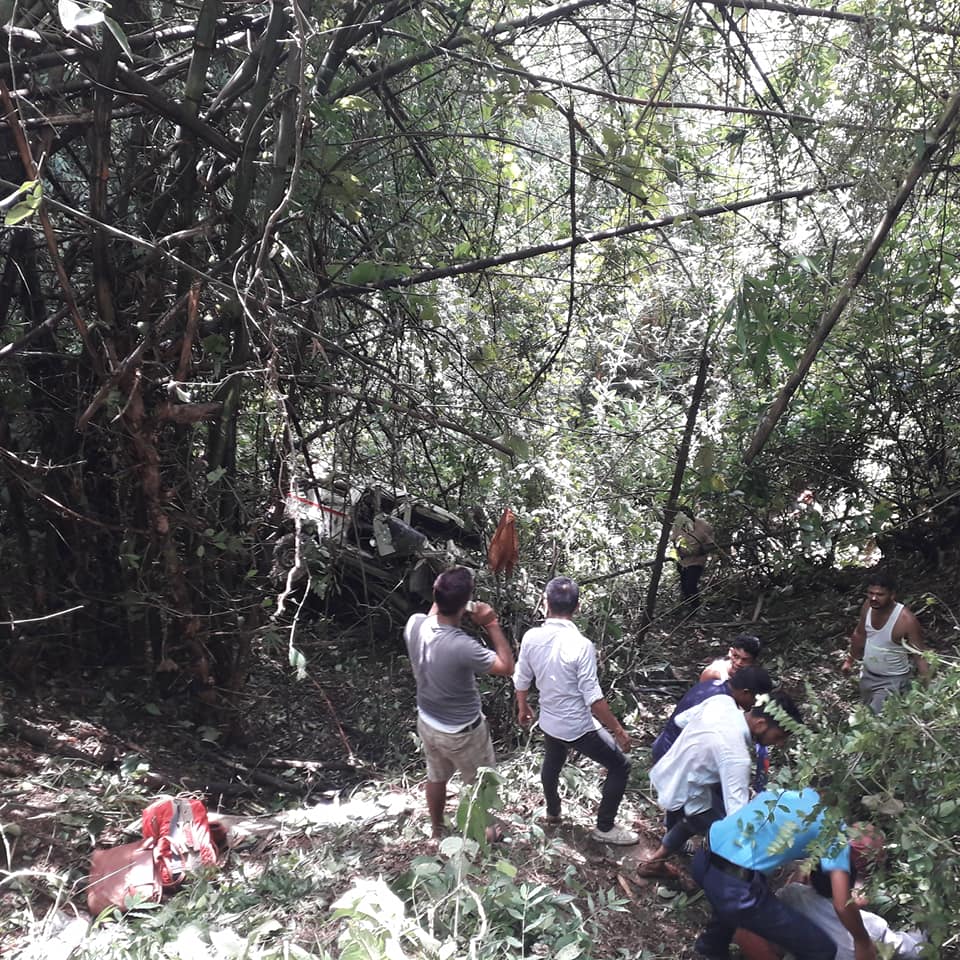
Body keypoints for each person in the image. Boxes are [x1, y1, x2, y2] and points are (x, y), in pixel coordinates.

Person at [514, 576, 638, 845]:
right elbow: (593, 699)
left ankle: (553, 812)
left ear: (545, 604)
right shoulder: (582, 645)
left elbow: (522, 677)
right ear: (577, 607)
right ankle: (605, 827)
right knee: (621, 765)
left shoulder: (531, 637)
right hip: (576, 726)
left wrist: (522, 706)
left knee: (553, 761)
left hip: (549, 720)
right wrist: (618, 731)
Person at [691, 788, 879, 960]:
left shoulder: (783, 794)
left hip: (703, 858)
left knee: (740, 898)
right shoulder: (833, 830)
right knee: (822, 949)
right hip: (735, 888)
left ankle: (709, 949)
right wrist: (862, 941)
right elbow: (842, 905)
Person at [404, 565, 514, 839]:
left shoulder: (416, 624)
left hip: (428, 722)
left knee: (436, 776)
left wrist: (447, 592)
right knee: (481, 783)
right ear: (467, 603)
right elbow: (506, 666)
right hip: (463, 733)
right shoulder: (462, 646)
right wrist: (491, 623)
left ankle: (437, 828)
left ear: (435, 596)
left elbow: (434, 614)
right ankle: (487, 831)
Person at [640, 690, 801, 875]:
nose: (779, 744)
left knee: (697, 818)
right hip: (689, 793)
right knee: (720, 828)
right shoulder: (737, 757)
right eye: (778, 736)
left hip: (670, 773)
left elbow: (681, 721)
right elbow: (737, 818)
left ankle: (656, 861)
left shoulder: (721, 702)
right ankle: (711, 878)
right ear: (760, 724)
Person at [841, 572, 929, 713]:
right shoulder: (868, 607)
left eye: (880, 594)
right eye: (870, 593)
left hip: (892, 681)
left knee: (876, 721)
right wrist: (849, 660)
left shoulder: (906, 620)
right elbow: (860, 634)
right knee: (867, 717)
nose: (874, 598)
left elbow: (920, 656)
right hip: (868, 675)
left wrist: (927, 692)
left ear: (892, 595)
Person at [651, 665, 774, 764]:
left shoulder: (713, 685)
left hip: (666, 748)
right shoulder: (720, 703)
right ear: (745, 693)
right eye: (756, 700)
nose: (755, 705)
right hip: (671, 757)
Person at [672, 506, 716, 608]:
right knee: (684, 586)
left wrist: (700, 550)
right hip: (682, 560)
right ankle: (688, 606)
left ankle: (695, 607)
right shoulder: (677, 526)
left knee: (690, 584)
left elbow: (710, 544)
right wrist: (679, 551)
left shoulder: (704, 526)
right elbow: (674, 540)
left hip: (697, 560)